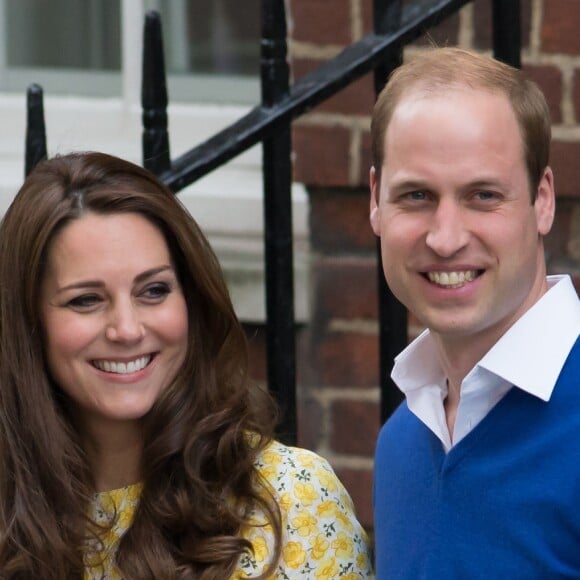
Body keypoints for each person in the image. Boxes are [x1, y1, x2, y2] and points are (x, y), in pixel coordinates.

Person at [0, 151, 373, 579]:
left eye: (154, 290)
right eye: (86, 300)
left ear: (191, 301)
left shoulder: (291, 502)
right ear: (30, 324)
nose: (127, 329)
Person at [369, 47, 580, 578]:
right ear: (375, 199)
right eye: (416, 195)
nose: (445, 238)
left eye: (483, 196)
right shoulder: (402, 442)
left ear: (543, 199)